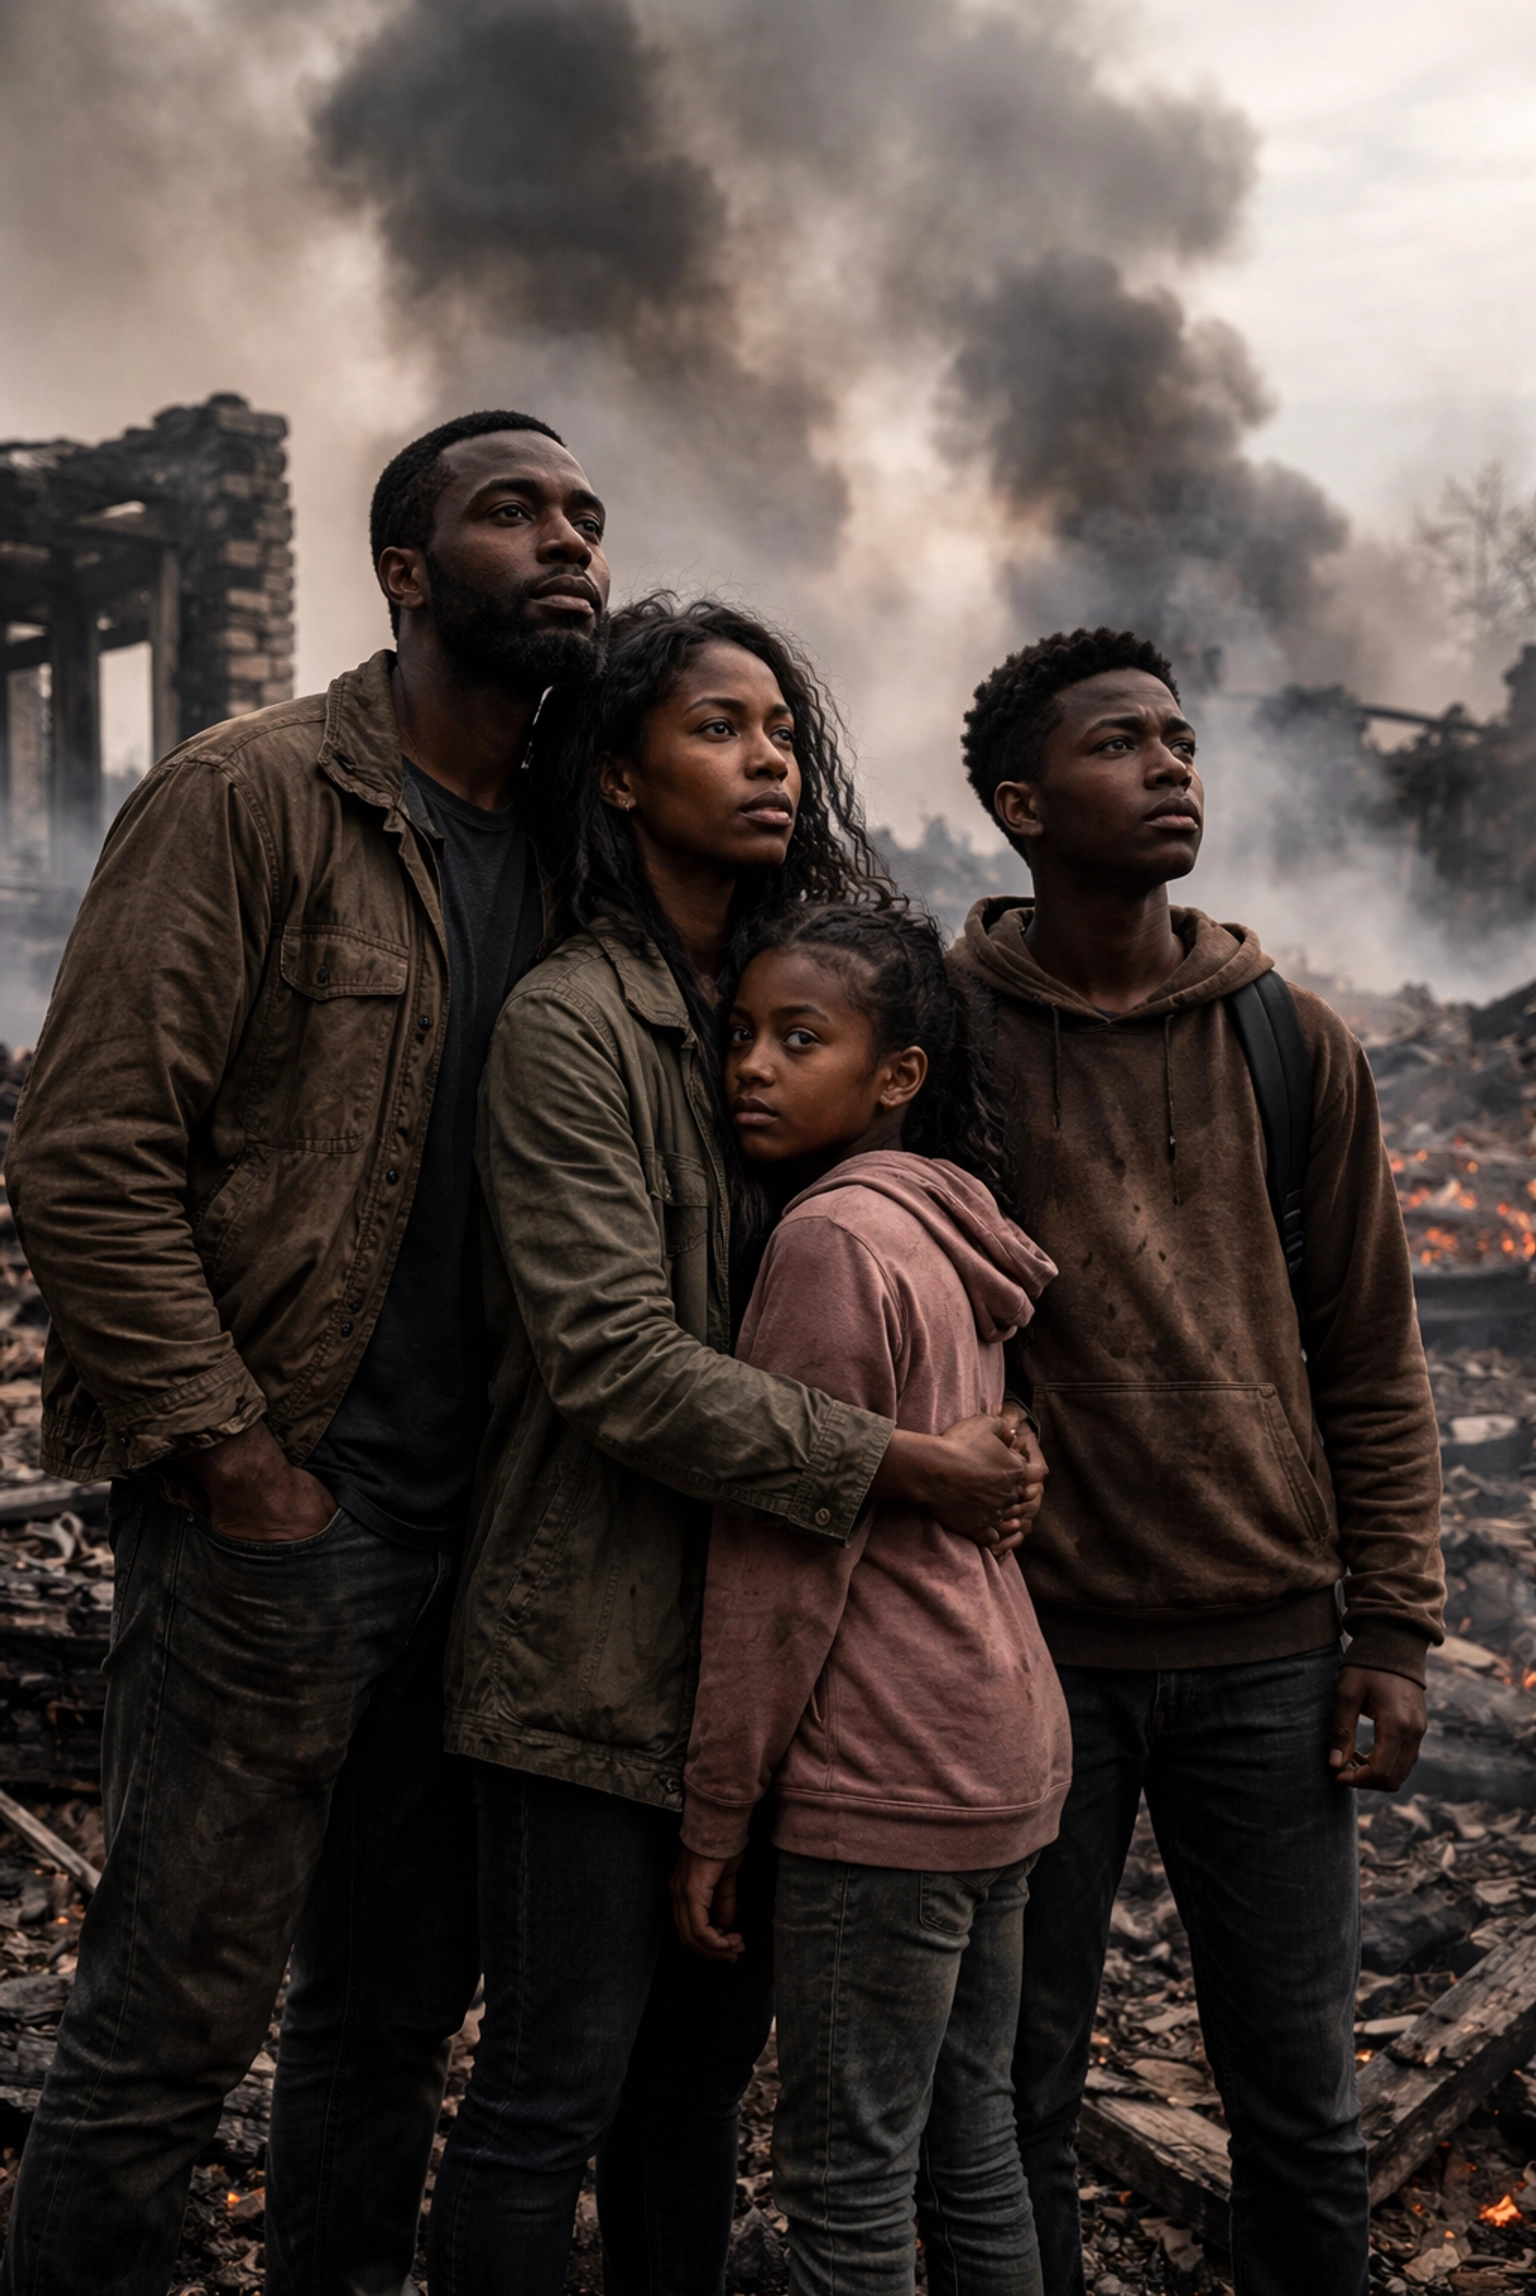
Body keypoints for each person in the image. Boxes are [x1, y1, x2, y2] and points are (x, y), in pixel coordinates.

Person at [0, 407, 614, 2296]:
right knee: (169, 2020)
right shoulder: (250, 798)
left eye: (588, 513)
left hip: (492, 1542)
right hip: (283, 1532)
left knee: (389, 2009)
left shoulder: (592, 844)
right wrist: (235, 1464)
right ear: (406, 572)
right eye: (513, 511)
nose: (570, 539)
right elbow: (86, 1153)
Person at [430, 600, 1042, 2296]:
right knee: (548, 2095)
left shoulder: (785, 1003)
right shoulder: (574, 1024)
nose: (767, 756)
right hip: (587, 1654)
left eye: (780, 727)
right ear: (619, 777)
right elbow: (615, 1362)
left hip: (769, 1678)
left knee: (690, 2096)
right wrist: (910, 1468)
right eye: (716, 727)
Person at [946, 627, 1446, 2296]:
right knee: (1018, 2095)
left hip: (1271, 1659)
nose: (1170, 766)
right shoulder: (941, 1045)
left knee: (1301, 2113)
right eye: (1119, 746)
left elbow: (1372, 1355)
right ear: (1021, 806)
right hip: (1033, 1655)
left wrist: (1392, 1627)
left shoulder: (1290, 1045)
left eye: (1179, 738)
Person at [673, 904, 1072, 2296]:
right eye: (740, 1037)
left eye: (802, 1040)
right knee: (974, 2156)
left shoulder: (827, 1244)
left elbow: (780, 1565)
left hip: (888, 1769)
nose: (753, 1070)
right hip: (999, 1746)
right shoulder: (943, 1222)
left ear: (897, 1073)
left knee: (847, 2196)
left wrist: (717, 1813)